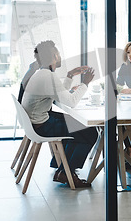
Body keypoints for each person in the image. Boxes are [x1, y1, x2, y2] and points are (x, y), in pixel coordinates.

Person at [21, 40, 98, 188]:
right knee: (90, 132)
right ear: (54, 56)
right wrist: (85, 83)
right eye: (58, 53)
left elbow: (60, 95)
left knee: (76, 124)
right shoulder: (47, 76)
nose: (60, 56)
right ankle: (66, 172)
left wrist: (69, 76)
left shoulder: (42, 74)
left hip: (36, 121)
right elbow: (71, 101)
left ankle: (62, 167)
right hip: (41, 126)